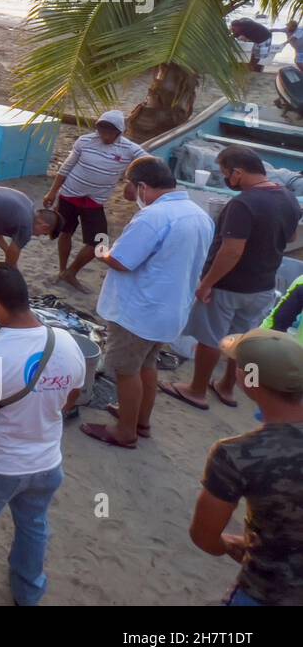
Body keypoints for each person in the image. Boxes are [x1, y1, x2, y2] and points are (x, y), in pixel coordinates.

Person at [0, 264, 85, 606]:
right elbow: (73, 397)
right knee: (34, 526)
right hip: (46, 463)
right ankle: (28, 590)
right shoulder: (65, 341)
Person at [84, 156, 214, 447]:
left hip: (139, 312)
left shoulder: (154, 216)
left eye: (130, 187)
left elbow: (121, 260)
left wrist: (102, 252)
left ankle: (125, 432)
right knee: (147, 364)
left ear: (142, 186)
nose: (130, 194)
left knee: (125, 370)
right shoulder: (198, 213)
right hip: (170, 309)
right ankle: (140, 420)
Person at [162, 146, 301, 410]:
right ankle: (227, 387)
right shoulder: (288, 198)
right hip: (263, 285)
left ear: (237, 173)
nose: (226, 178)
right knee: (242, 340)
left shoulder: (243, 203)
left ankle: (197, 390)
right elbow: (291, 237)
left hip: (229, 285)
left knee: (210, 338)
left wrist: (206, 283)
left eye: (226, 173)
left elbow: (231, 251)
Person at [189, 329, 303, 606]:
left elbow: (204, 536)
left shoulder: (237, 454)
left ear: (247, 379)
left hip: (268, 592)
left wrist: (230, 545)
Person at [42, 110, 146, 293]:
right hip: (70, 194)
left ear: (119, 132)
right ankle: (62, 269)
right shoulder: (85, 141)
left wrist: (133, 181)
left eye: (109, 132)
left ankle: (72, 272)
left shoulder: (128, 148)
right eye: (101, 130)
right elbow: (66, 167)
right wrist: (52, 192)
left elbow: (148, 160)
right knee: (65, 232)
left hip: (95, 200)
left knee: (99, 242)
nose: (104, 135)